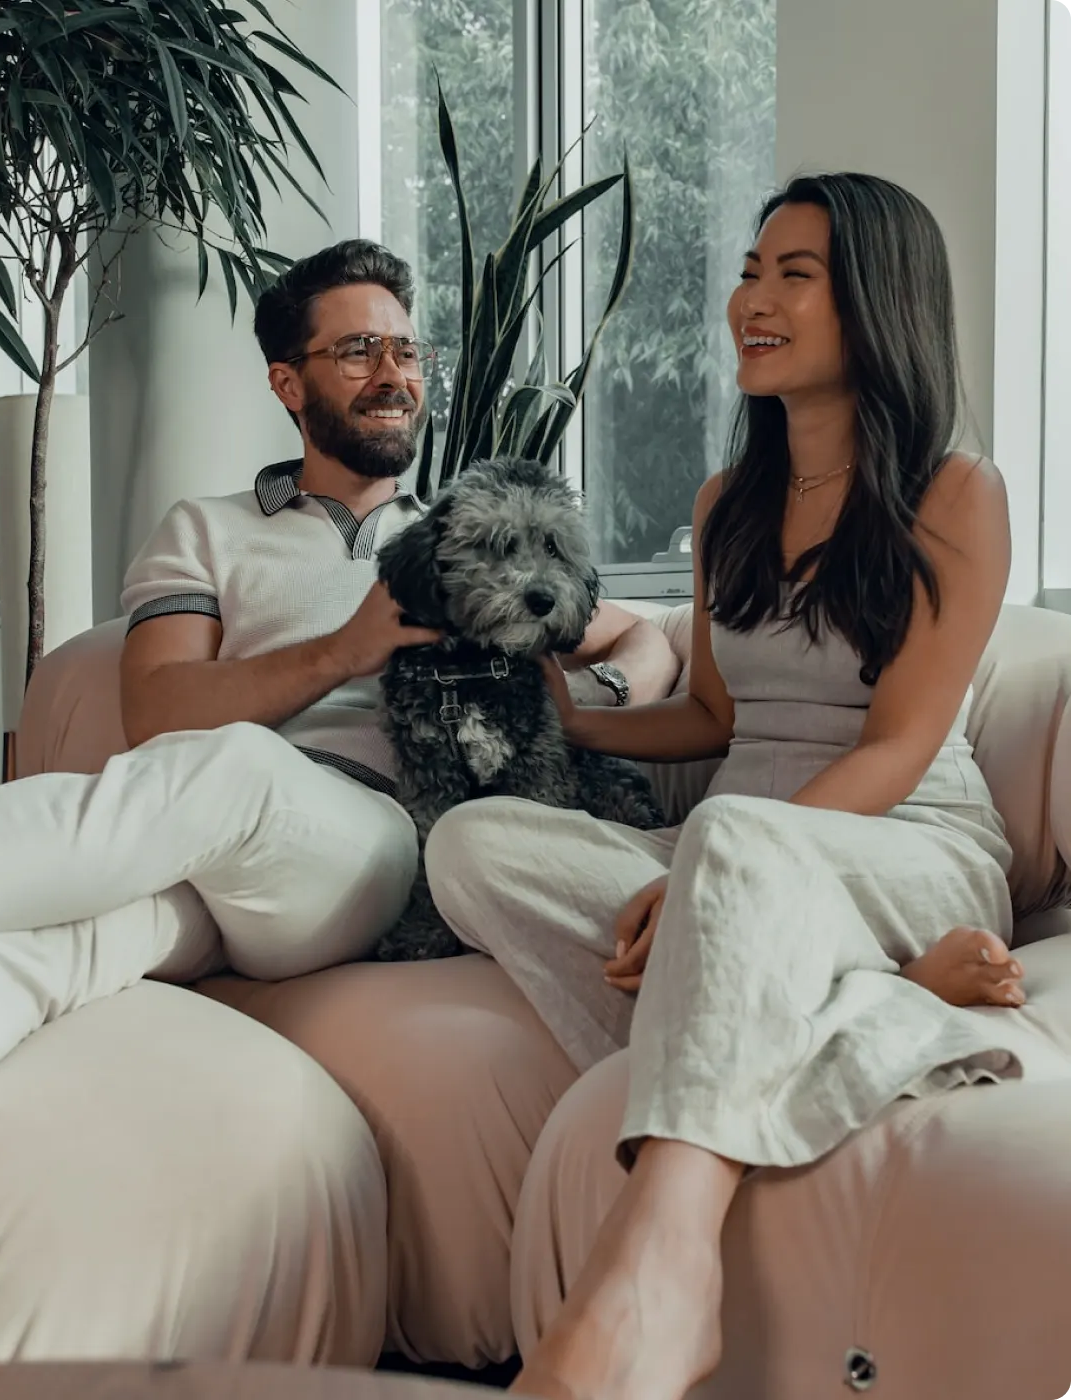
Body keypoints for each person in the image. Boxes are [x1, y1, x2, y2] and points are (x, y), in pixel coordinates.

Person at [421, 174, 1040, 1400]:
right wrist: (572, 722)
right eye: (749, 270)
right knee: (473, 844)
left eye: (790, 275)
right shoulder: (725, 505)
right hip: (744, 852)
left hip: (902, 840)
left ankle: (661, 1262)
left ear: (874, 304)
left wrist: (723, 853)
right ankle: (875, 1001)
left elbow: (899, 745)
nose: (748, 298)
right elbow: (714, 715)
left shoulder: (954, 493)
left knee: (730, 845)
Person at [0, 239, 679, 1090]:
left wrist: (588, 703)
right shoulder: (205, 528)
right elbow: (158, 712)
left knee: (233, 769)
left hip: (373, 840)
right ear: (287, 382)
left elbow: (650, 638)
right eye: (356, 349)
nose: (393, 374)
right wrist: (347, 648)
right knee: (61, 950)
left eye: (405, 349)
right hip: (217, 840)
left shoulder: (478, 536)